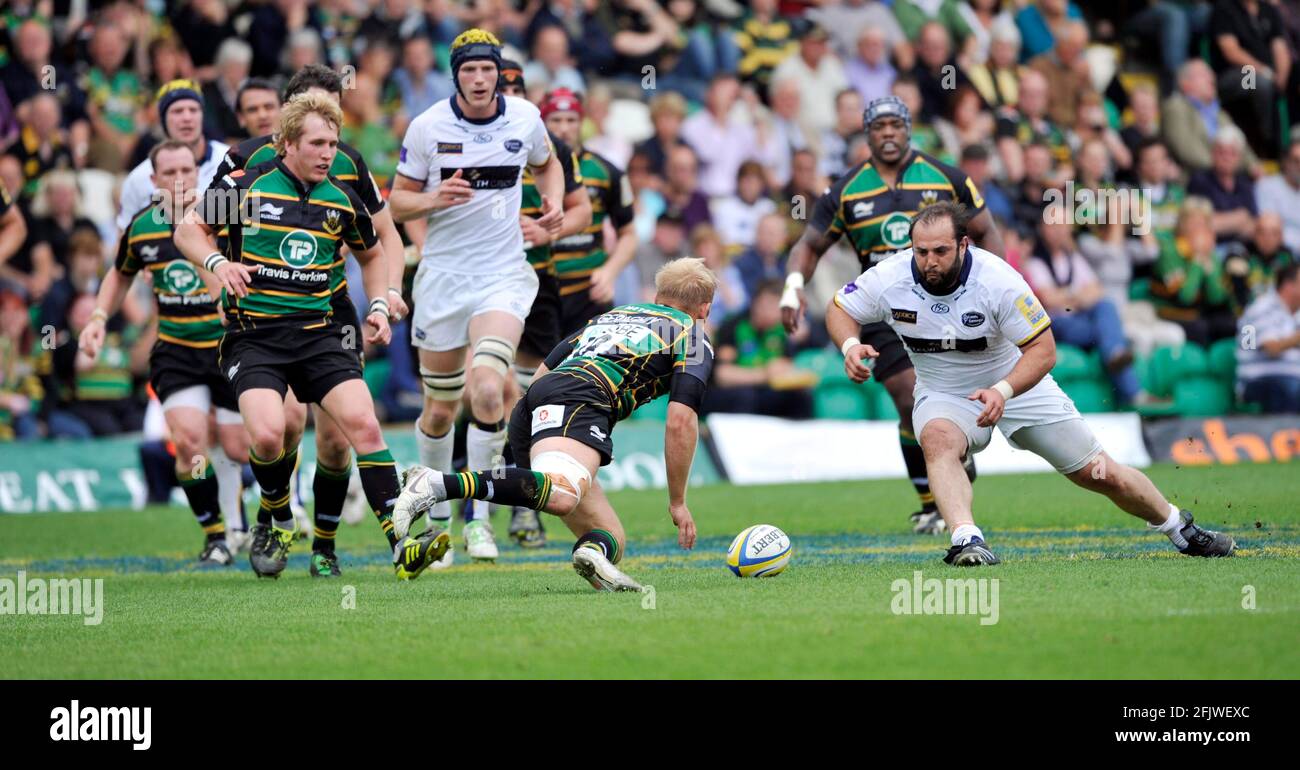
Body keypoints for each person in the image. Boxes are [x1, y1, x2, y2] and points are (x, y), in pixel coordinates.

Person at [826, 202, 1235, 565]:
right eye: (921, 251)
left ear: (964, 244)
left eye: (940, 251)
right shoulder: (891, 276)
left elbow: (1044, 349)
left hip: (1018, 385)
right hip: (943, 392)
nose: (929, 261)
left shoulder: (998, 280)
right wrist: (849, 344)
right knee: (936, 440)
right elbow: (840, 307)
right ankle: (966, 540)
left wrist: (1003, 390)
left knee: (1099, 473)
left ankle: (1177, 526)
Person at [176, 91, 446, 581]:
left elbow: (371, 253)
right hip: (254, 335)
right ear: (287, 144)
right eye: (318, 143)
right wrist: (217, 262)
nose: (329, 153)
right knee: (266, 434)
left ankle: (401, 543)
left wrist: (381, 303)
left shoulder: (340, 198)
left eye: (334, 143)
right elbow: (187, 230)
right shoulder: (243, 185)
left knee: (363, 426)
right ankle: (277, 515)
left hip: (319, 334)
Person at [394, 258, 717, 592]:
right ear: (704, 309)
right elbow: (680, 421)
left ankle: (591, 555)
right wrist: (677, 502)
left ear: (657, 295)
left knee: (611, 538)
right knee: (562, 496)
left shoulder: (616, 315)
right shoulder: (691, 334)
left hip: (538, 398)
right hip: (583, 399)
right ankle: (435, 483)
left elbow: (547, 368)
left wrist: (534, 422)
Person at [781, 95, 1002, 535]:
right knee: (907, 398)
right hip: (887, 310)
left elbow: (985, 231)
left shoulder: (947, 177)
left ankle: (954, 452)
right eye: (878, 126)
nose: (887, 133)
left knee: (946, 400)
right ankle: (931, 502)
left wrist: (995, 289)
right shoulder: (845, 190)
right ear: (867, 134)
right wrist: (792, 288)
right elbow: (809, 245)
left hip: (949, 303)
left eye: (895, 125)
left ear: (908, 128)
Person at [388, 29, 566, 563]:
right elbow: (392, 205)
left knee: (489, 389)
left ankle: (479, 519)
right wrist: (433, 197)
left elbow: (548, 162)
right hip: (443, 278)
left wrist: (551, 203)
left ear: (498, 72)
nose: (480, 78)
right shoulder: (427, 127)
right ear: (456, 75)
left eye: (488, 68)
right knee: (440, 411)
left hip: (502, 274)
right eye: (470, 70)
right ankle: (437, 516)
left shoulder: (525, 118)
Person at [79, 140, 248, 567]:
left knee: (239, 447)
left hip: (228, 347)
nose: (179, 180)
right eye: (169, 173)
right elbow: (119, 275)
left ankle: (248, 519)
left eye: (186, 171)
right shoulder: (142, 226)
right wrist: (98, 318)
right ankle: (216, 536)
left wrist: (193, 240)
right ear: (153, 181)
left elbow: (228, 287)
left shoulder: (224, 217)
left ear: (199, 174)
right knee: (190, 444)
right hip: (176, 350)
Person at [499, 59, 593, 551]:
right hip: (474, 278)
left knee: (531, 393)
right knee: (471, 394)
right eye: (502, 86)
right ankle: (462, 509)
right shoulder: (453, 135)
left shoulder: (546, 146)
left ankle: (522, 505)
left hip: (538, 283)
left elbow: (583, 210)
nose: (508, 93)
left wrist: (547, 227)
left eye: (516, 87)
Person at [542, 88, 639, 337]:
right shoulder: (525, 171)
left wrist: (609, 273)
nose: (564, 128)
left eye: (571, 120)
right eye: (556, 120)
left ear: (581, 122)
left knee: (591, 372)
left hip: (588, 294)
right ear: (542, 123)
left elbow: (628, 234)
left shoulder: (607, 172)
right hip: (540, 291)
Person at [116, 80, 231, 236]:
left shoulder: (231, 160)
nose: (186, 117)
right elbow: (124, 237)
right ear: (162, 120)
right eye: (177, 111)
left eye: (193, 109)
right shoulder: (138, 178)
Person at [707, 279, 814, 419]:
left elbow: (786, 364)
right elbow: (722, 375)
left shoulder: (781, 331)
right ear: (755, 302)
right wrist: (764, 374)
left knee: (800, 398)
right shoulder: (733, 326)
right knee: (745, 397)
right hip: (729, 393)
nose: (770, 311)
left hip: (765, 391)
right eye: (767, 305)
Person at [1236, 263, 1300, 413]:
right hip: (1258, 379)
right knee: (1291, 388)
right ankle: (1289, 435)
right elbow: (1272, 348)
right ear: (1288, 285)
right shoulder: (1261, 308)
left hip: (1290, 378)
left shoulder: (1296, 312)